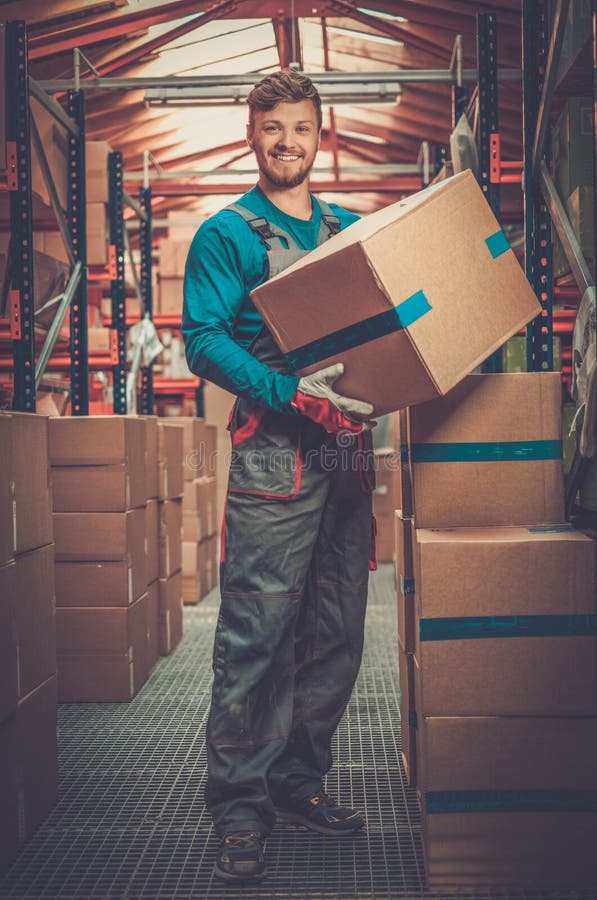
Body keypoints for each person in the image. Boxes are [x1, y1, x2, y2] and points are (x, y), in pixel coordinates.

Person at [182, 68, 376, 884]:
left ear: (319, 134)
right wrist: (289, 390)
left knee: (334, 626)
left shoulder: (347, 228)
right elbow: (202, 339)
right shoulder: (227, 234)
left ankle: (298, 780)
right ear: (250, 135)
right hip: (277, 444)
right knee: (258, 633)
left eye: (300, 127)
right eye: (272, 128)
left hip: (346, 450)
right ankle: (238, 804)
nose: (286, 142)